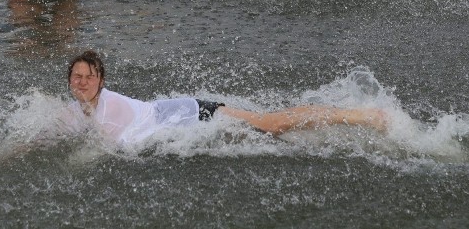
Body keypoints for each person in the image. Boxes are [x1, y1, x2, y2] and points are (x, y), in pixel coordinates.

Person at [64, 50, 389, 146]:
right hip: (178, 114)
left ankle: (364, 116)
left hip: (194, 114)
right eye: (76, 77)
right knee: (270, 131)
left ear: (101, 81)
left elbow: (99, 148)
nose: (82, 82)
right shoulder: (83, 107)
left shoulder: (108, 106)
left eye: (88, 77)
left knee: (271, 125)